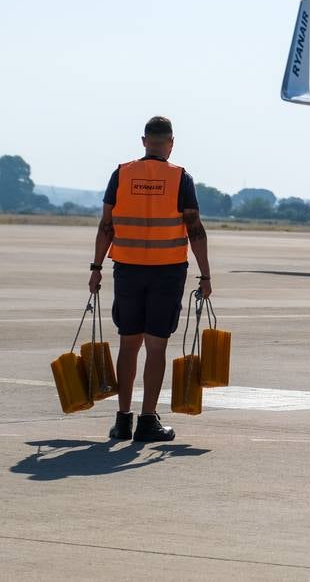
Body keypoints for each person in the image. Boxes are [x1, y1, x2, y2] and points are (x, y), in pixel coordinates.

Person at [88, 116, 212, 442]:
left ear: (144, 141)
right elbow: (195, 229)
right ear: (170, 143)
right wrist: (206, 274)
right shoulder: (180, 178)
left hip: (127, 270)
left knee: (128, 344)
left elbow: (106, 226)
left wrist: (96, 268)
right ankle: (147, 422)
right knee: (156, 347)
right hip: (167, 271)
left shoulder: (122, 174)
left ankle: (122, 420)